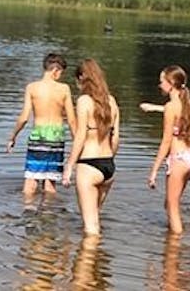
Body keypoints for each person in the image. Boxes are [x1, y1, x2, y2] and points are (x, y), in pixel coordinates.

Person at [7, 52, 77, 199]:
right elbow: (71, 120)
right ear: (55, 70)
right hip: (57, 137)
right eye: (61, 73)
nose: (60, 76)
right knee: (50, 182)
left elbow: (24, 118)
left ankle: (28, 212)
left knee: (31, 179)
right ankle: (49, 214)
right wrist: (78, 143)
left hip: (38, 135)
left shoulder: (32, 87)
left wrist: (13, 137)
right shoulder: (64, 89)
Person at [63, 58, 120, 235]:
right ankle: (97, 260)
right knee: (95, 219)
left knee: (90, 227)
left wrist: (69, 165)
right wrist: (110, 158)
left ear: (82, 78)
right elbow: (116, 137)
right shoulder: (111, 101)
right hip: (109, 166)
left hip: (89, 165)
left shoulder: (84, 101)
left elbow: (80, 136)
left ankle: (86, 260)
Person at [147, 65, 190, 234]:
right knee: (169, 203)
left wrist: (154, 170)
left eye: (162, 81)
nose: (159, 85)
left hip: (177, 159)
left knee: (172, 205)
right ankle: (171, 239)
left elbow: (166, 141)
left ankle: (175, 247)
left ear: (171, 83)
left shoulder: (170, 107)